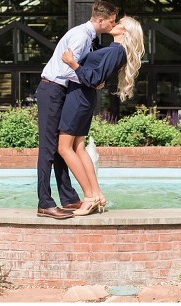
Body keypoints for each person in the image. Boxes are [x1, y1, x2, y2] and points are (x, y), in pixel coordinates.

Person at [36, 0, 119, 220]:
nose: (114, 24)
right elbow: (66, 67)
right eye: (111, 21)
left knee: (60, 147)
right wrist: (90, 80)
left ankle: (69, 197)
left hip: (61, 91)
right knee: (47, 149)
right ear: (100, 20)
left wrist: (90, 78)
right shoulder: (82, 36)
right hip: (52, 89)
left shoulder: (90, 37)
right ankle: (44, 203)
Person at [58, 16, 145, 216]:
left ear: (126, 31)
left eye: (119, 22)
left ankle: (88, 198)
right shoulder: (115, 49)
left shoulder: (117, 50)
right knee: (78, 147)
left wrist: (73, 64)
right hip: (82, 97)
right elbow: (97, 75)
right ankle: (97, 196)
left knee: (64, 147)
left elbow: (95, 77)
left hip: (79, 97)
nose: (114, 24)